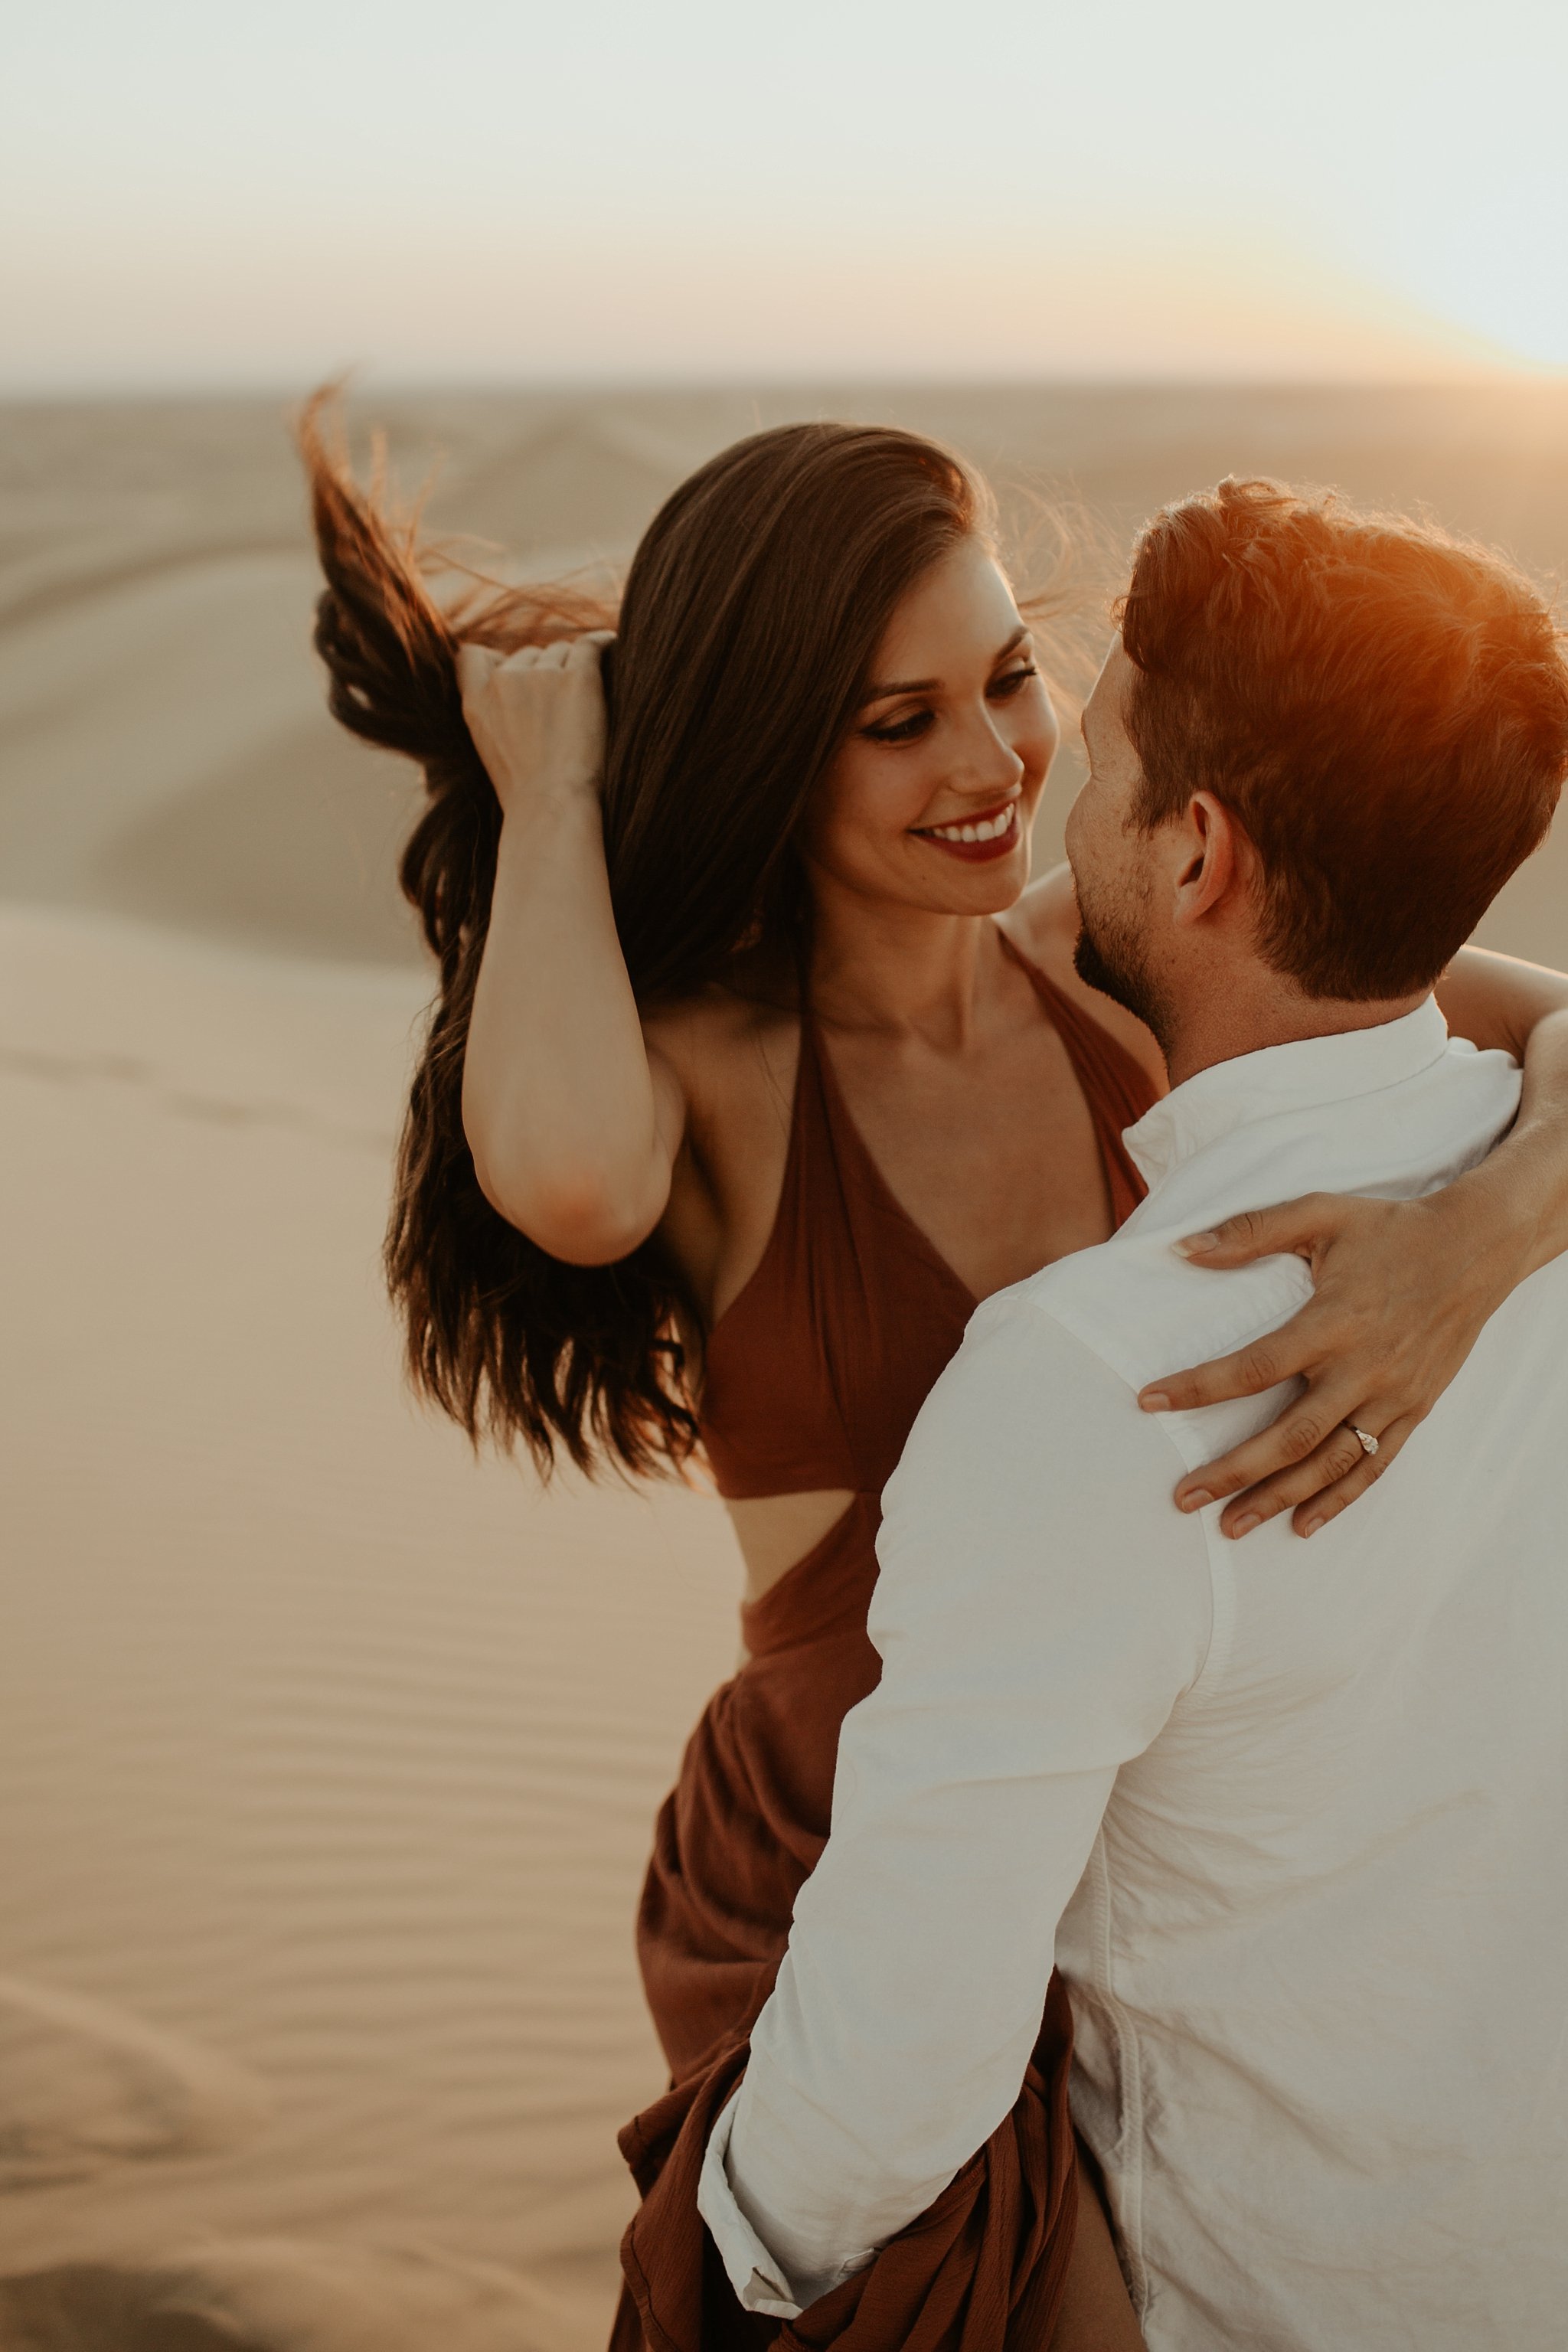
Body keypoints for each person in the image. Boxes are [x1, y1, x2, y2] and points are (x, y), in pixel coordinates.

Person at [302, 410, 1568, 2351]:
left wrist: (1476, 1243)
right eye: (897, 722)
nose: (990, 764)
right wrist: (554, 789)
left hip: (1128, 1817)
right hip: (838, 1859)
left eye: (1008, 680)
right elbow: (558, 1182)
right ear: (770, 750)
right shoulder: (716, 1065)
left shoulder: (1116, 967)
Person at [699, 479, 1568, 2350]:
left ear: (1193, 857)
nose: (1043, 799)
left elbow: (891, 2085)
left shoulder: (1097, 1382)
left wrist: (727, 2257)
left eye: (1097, 760)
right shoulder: (1543, 1207)